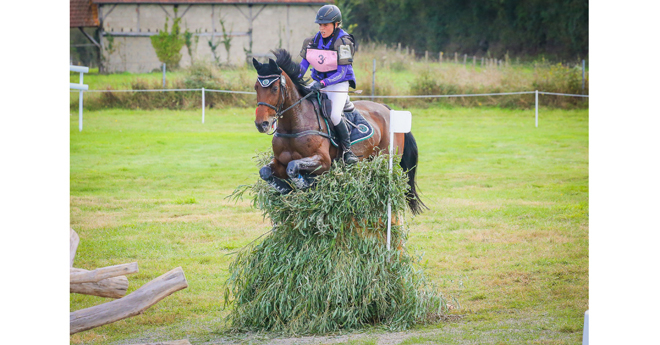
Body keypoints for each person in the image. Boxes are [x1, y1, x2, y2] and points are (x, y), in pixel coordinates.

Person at [298, 4, 359, 165]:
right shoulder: (311, 41)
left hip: (338, 83)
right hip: (318, 82)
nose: (322, 28)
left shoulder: (344, 42)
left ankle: (347, 151)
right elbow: (303, 66)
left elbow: (341, 72)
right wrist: (294, 80)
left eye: (325, 24)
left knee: (334, 115)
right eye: (320, 24)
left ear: (336, 24)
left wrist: (323, 83)